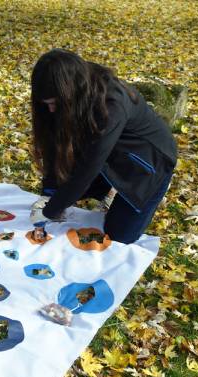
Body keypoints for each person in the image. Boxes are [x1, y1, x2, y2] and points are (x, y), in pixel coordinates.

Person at [28, 49, 177, 244]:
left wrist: (50, 211)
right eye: (46, 103)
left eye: (54, 103)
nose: (51, 109)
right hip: (110, 152)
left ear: (70, 91)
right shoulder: (76, 83)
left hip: (149, 162)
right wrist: (49, 193)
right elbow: (55, 144)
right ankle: (106, 187)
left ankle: (141, 189)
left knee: (118, 236)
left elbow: (88, 167)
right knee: (65, 191)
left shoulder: (111, 105)